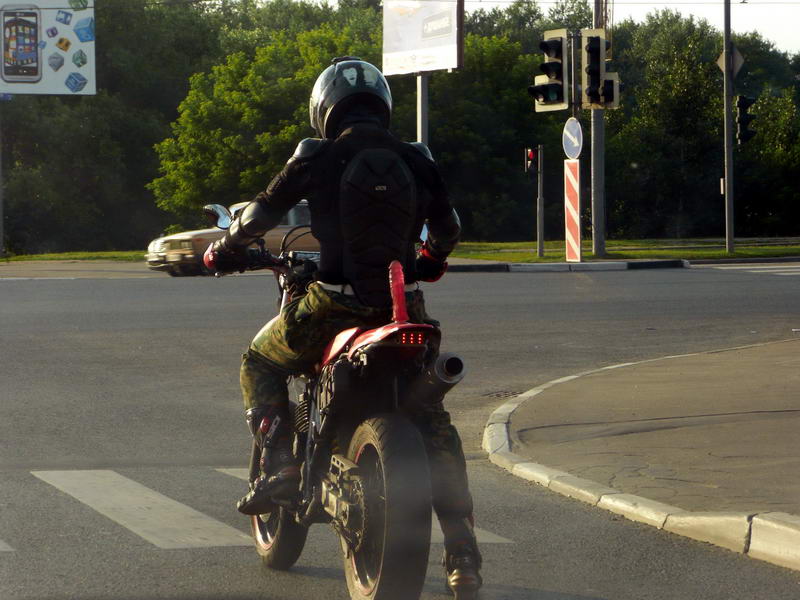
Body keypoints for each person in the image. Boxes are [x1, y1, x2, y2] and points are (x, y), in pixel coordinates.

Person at [204, 57, 481, 596]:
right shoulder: (417, 157)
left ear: (324, 109)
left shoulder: (317, 154)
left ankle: (281, 466)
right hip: (403, 312)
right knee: (431, 416)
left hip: (334, 305)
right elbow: (447, 230)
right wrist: (428, 259)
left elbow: (260, 215)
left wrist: (227, 246)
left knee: (258, 361)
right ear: (383, 106)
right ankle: (462, 551)